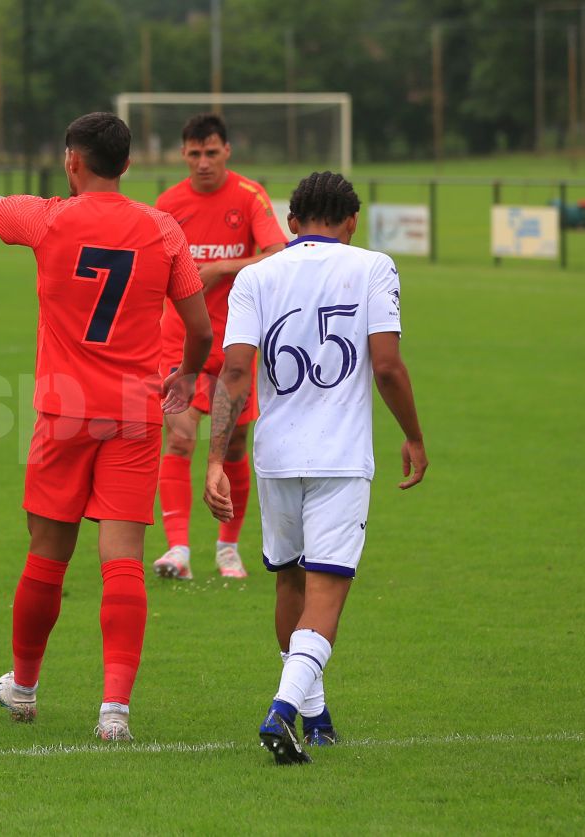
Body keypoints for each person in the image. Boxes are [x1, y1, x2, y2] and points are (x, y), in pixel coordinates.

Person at [0, 99, 212, 741]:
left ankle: (25, 688)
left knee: (47, 555)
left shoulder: (47, 218)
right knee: (121, 558)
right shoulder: (163, 228)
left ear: (73, 162)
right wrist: (184, 374)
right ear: (125, 164)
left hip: (62, 411)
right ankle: (114, 710)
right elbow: (199, 329)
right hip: (134, 412)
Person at [204, 171, 427, 764]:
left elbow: (233, 373)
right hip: (340, 458)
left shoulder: (255, 276)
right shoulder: (373, 267)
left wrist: (215, 460)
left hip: (275, 458)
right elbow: (387, 367)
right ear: (352, 222)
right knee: (327, 593)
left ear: (293, 222)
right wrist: (413, 436)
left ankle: (316, 716)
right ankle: (282, 711)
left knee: (290, 582)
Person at [152, 113, 286, 582]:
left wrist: (222, 268)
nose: (203, 162)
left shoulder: (249, 197)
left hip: (237, 345)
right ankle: (178, 549)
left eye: (211, 152)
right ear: (184, 155)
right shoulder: (168, 204)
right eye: (194, 153)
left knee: (232, 447)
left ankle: (228, 549)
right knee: (182, 437)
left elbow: (277, 253)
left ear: (227, 151)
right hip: (180, 341)